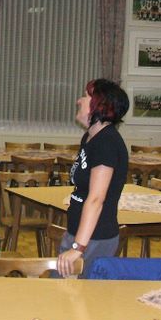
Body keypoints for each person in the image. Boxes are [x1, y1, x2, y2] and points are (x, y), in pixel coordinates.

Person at [56, 79, 130, 279]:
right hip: (80, 234)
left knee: (69, 294)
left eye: (85, 96)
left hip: (94, 238)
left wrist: (78, 248)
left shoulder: (106, 142)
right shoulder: (91, 137)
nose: (79, 101)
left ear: (99, 105)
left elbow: (96, 199)